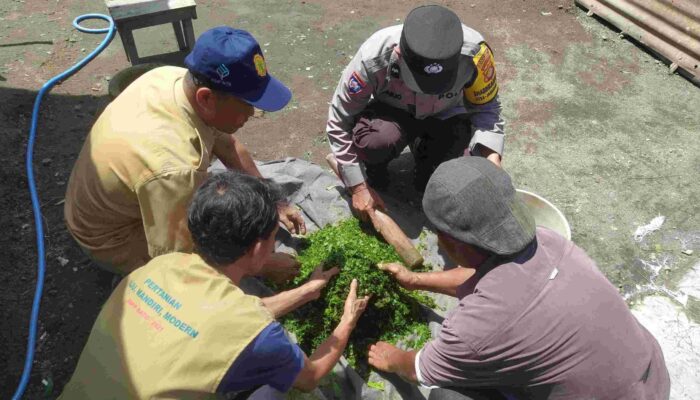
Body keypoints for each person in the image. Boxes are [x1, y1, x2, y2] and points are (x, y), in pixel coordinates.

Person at [367, 157, 670, 400]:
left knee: (447, 395)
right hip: (653, 381)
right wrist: (415, 280)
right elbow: (485, 278)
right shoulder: (551, 241)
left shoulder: (473, 330)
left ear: (451, 242)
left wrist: (391, 358)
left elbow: (419, 368)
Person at [59, 171, 369, 399]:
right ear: (259, 248)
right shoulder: (259, 334)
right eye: (274, 238)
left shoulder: (157, 267)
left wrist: (306, 291)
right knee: (272, 392)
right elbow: (310, 377)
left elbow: (222, 319)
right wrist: (346, 321)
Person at [64, 26, 305, 275]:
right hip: (112, 238)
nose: (251, 114)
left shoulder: (171, 78)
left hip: (118, 197)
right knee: (202, 275)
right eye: (246, 104)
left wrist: (272, 199)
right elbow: (178, 260)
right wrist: (261, 266)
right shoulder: (175, 168)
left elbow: (227, 144)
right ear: (206, 99)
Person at [326, 4, 505, 218]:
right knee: (374, 143)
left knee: (450, 176)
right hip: (393, 113)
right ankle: (376, 171)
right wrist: (357, 186)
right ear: (399, 55)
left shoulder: (476, 54)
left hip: (446, 116)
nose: (427, 91)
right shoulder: (373, 57)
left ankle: (426, 155)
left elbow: (487, 109)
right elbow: (339, 120)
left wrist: (491, 159)